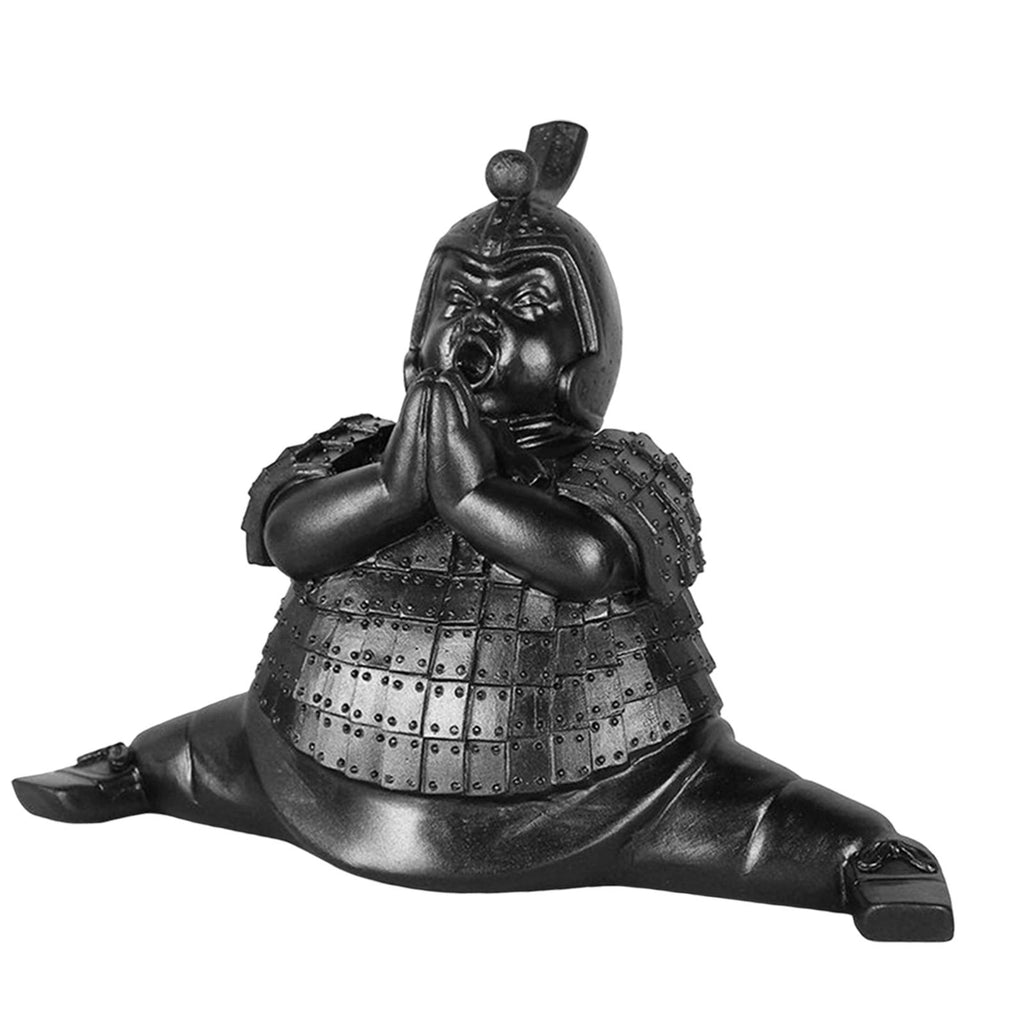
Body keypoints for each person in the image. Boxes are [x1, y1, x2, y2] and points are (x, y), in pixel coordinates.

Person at [13, 122, 952, 941]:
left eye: (527, 305)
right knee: (195, 751)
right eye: (457, 299)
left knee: (762, 819)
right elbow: (287, 539)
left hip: (612, 793)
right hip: (304, 762)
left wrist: (466, 494)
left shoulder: (622, 466)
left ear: (586, 350)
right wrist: (398, 484)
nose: (479, 326)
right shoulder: (365, 446)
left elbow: (588, 558)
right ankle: (135, 773)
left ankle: (868, 858)